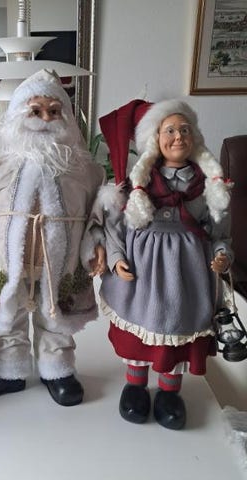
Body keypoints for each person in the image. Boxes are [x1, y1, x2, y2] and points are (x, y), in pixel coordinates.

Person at [0, 69, 105, 406]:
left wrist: (98, 245)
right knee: (8, 317)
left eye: (54, 111)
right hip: (6, 266)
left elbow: (97, 215)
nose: (45, 118)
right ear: (18, 115)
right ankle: (8, 371)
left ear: (66, 116)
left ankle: (57, 370)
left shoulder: (87, 171)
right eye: (35, 110)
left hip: (61, 266)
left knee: (55, 316)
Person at [98, 99, 233, 429]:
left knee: (177, 327)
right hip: (142, 273)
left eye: (184, 130)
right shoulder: (138, 183)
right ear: (155, 139)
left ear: (194, 136)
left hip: (185, 275)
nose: (178, 137)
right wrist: (116, 258)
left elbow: (219, 232)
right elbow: (115, 225)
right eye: (169, 130)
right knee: (140, 327)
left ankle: (170, 392)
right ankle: (135, 386)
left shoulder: (207, 186)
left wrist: (222, 255)